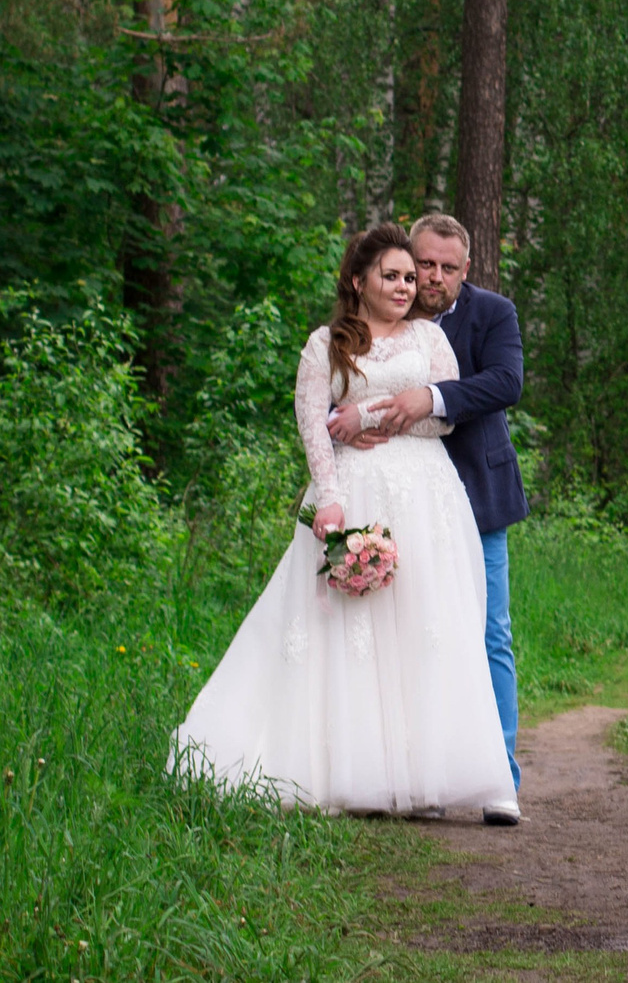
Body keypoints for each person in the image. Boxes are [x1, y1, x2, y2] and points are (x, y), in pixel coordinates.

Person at [171, 223, 516, 819]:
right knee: (355, 631)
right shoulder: (323, 344)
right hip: (355, 489)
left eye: (412, 277)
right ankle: (356, 771)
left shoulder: (431, 339)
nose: (408, 286)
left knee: (424, 629)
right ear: (358, 280)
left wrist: (370, 414)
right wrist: (328, 496)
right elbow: (313, 425)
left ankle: (423, 779)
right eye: (395, 275)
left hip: (427, 497)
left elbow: (445, 417)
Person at [333, 212, 527, 823]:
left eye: (448, 267)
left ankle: (499, 776)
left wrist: (434, 397)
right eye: (425, 265)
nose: (433, 277)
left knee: (486, 630)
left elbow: (505, 381)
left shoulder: (492, 314)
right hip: (395, 499)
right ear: (405, 261)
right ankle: (413, 774)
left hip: (474, 488)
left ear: (467, 270)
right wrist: (354, 431)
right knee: (407, 629)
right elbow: (337, 398)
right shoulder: (374, 319)